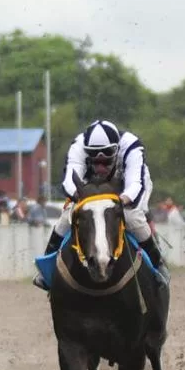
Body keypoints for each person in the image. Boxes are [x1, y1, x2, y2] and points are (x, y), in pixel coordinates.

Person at [34, 119, 169, 289]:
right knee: (67, 215)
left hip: (126, 182)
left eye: (106, 161)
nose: (100, 167)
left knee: (132, 216)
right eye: (95, 162)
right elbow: (69, 180)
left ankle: (158, 265)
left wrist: (119, 202)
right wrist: (80, 198)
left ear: (116, 150)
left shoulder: (131, 146)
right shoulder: (78, 146)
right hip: (90, 188)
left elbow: (135, 184)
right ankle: (47, 269)